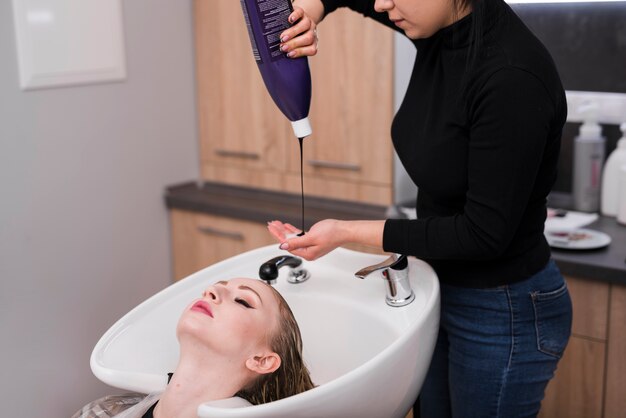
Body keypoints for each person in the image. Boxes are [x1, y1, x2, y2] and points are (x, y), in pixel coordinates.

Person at [268, 0, 573, 417]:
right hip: (437, 287)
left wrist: (344, 233)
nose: (381, 3)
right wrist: (310, 11)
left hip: (503, 313)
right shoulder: (439, 24)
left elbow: (481, 234)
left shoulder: (512, 77)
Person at [73, 278, 315, 418]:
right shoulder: (105, 412)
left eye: (243, 301)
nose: (212, 291)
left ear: (261, 360)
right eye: (215, 287)